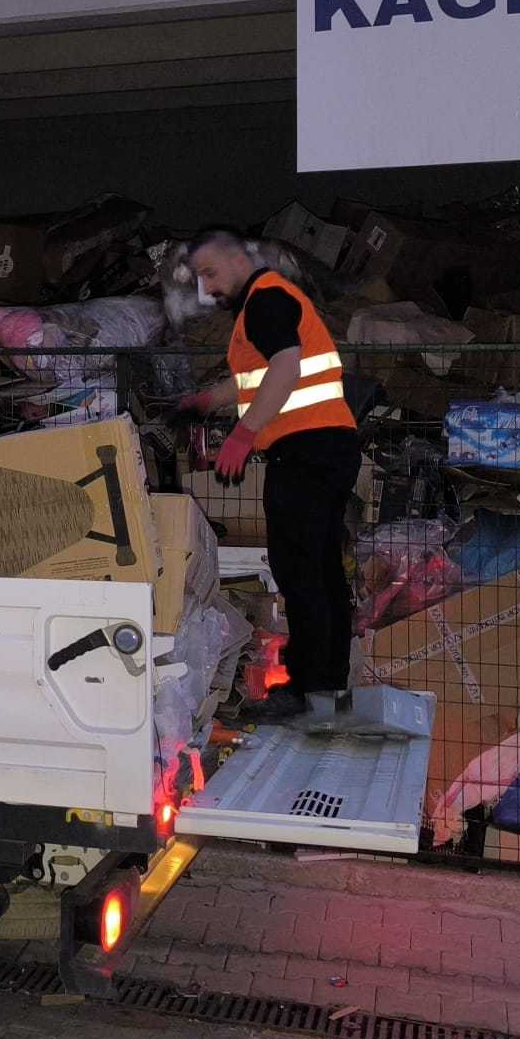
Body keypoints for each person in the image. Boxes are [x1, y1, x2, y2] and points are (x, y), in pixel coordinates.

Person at [182, 229, 360, 720]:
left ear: (239, 261)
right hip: (327, 448)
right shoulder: (268, 306)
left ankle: (306, 692)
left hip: (306, 451)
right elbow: (257, 378)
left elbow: (285, 367)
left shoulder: (265, 300)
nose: (208, 286)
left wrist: (244, 432)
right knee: (320, 572)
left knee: (300, 571)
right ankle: (327, 692)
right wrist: (206, 401)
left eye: (211, 273)